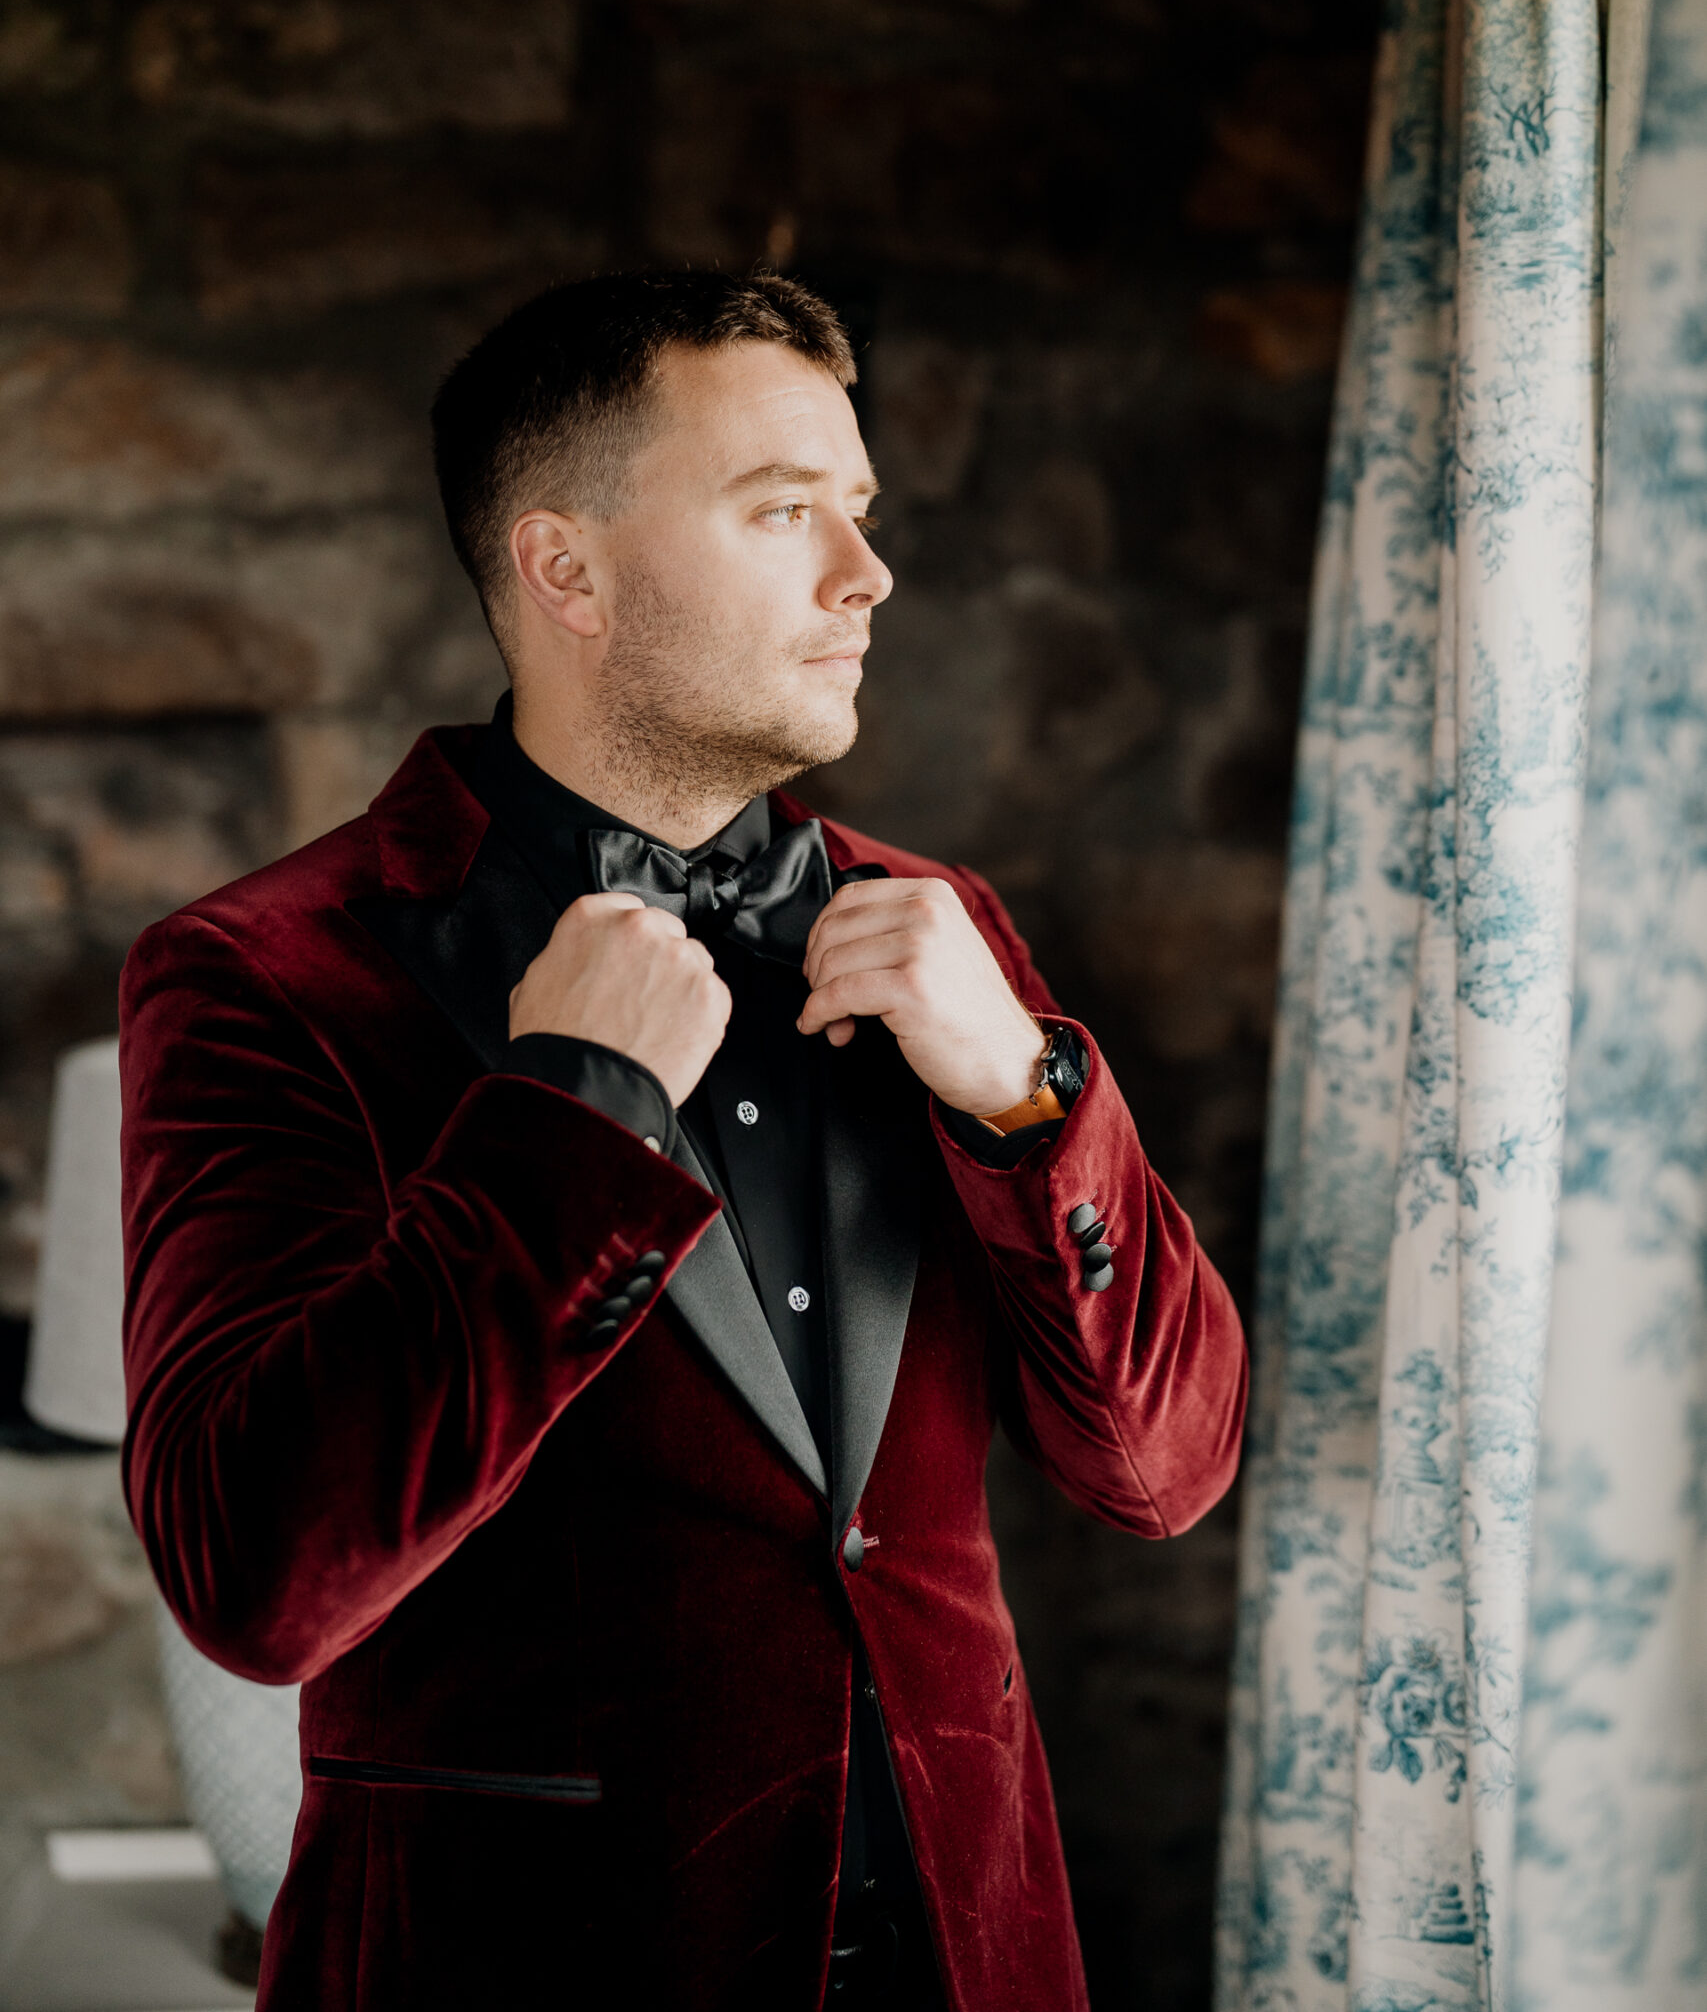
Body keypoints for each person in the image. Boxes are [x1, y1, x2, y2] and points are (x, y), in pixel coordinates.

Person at [119, 269, 1247, 2012]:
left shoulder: (940, 934)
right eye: (785, 512)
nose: (866, 577)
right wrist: (568, 1112)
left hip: (974, 1957)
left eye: (859, 514)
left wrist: (1029, 1094)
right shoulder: (272, 974)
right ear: (566, 569)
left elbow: (1164, 1467)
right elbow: (256, 1577)